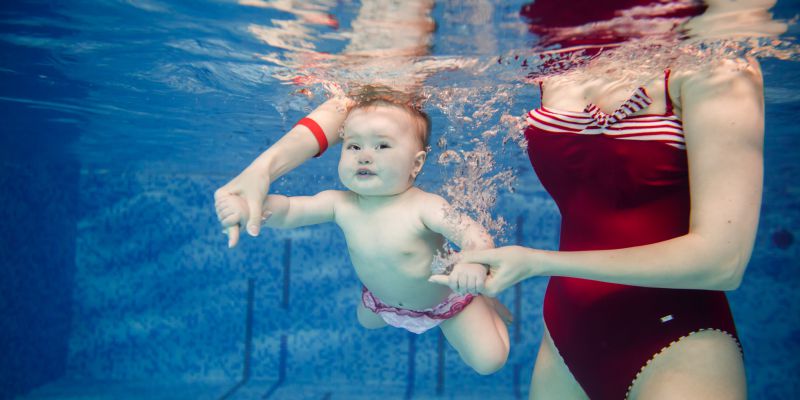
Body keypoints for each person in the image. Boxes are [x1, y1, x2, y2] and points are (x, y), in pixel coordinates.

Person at [215, 0, 776, 398]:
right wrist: (261, 169)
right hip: (568, 338)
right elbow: (375, 97)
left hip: (677, 337)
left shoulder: (713, 62)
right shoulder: (557, 61)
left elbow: (721, 261)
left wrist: (534, 262)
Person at [215, 92, 510, 375]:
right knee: (366, 321)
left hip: (444, 298)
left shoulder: (426, 207)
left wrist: (472, 264)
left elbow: (476, 235)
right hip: (382, 301)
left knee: (489, 361)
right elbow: (291, 210)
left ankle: (481, 301)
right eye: (353, 146)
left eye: (382, 146)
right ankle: (393, 305)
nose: (364, 157)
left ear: (416, 164)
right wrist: (252, 209)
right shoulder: (341, 204)